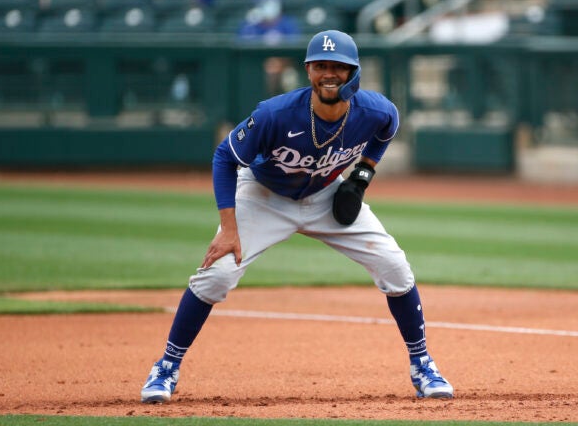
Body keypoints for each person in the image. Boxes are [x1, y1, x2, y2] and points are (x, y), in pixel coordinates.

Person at [140, 29, 454, 403]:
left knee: (396, 268)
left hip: (326, 194)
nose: (329, 74)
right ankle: (166, 367)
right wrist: (229, 227)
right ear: (308, 71)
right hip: (264, 196)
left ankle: (422, 364)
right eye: (321, 66)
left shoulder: (375, 111)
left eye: (338, 66)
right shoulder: (275, 114)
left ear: (354, 72)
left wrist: (361, 178)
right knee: (216, 277)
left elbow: (389, 128)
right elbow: (225, 156)